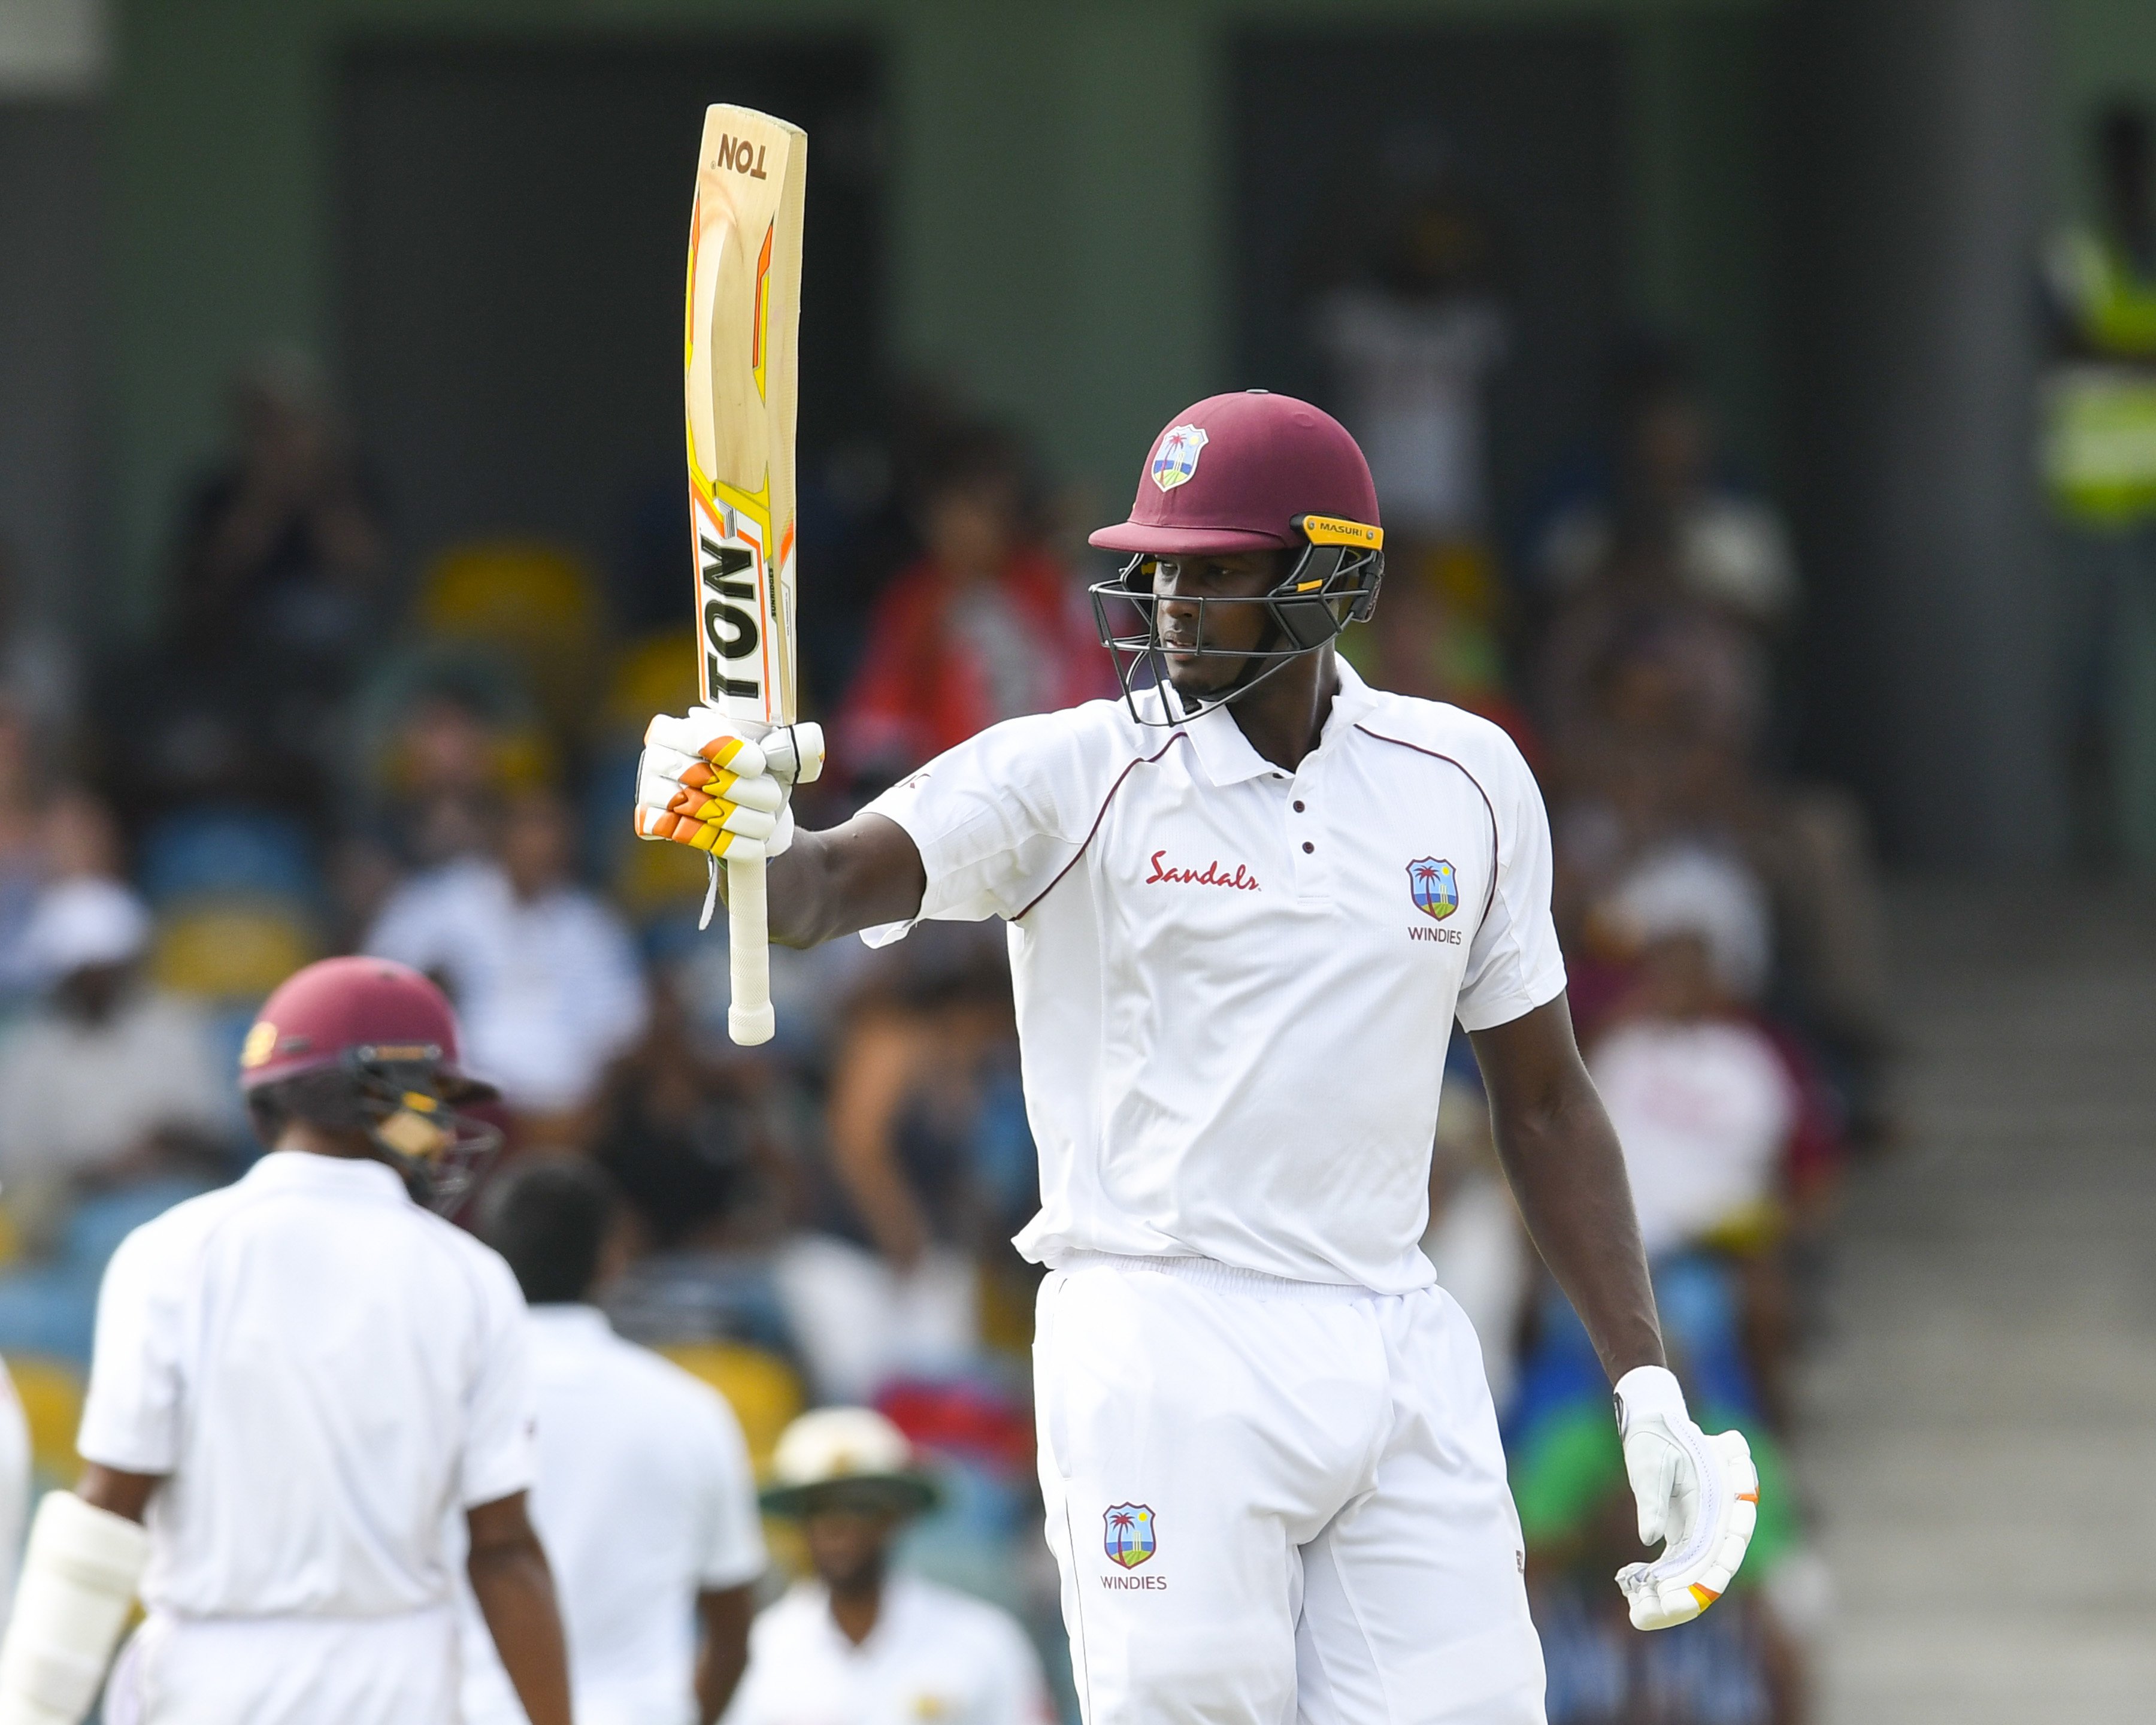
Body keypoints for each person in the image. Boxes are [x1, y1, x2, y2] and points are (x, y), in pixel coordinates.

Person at [637, 389, 1760, 1722]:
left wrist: (1643, 1381)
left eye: (1215, 569)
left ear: (1332, 574)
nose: (1169, 600)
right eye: (1157, 566)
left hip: (1393, 1332)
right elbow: (831, 886)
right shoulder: (1070, 771)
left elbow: (1548, 1103)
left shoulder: (1466, 777)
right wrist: (748, 828)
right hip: (1162, 1328)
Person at [0, 955, 571, 1725]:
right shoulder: (470, 1277)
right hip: (400, 1683)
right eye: (434, 1096)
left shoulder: (171, 1252)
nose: (441, 1123)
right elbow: (503, 1548)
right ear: (390, 1091)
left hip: (212, 1682)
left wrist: (35, 1710)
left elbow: (109, 1511)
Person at [461, 1154, 767, 1725]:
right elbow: (732, 1635)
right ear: (612, 1259)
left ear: (491, 1260)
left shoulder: (451, 1404)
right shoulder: (691, 1410)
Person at [724, 1406, 1053, 1725]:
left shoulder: (984, 1643)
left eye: (860, 1507)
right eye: (820, 1508)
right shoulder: (762, 1651)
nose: (838, 1526)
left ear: (895, 1516)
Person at [365, 786, 649, 1135]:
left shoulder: (591, 925)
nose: (543, 843)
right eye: (532, 826)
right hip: (461, 1110)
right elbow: (379, 995)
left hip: (567, 1119)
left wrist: (593, 1109)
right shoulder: (434, 905)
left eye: (554, 829)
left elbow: (623, 1030)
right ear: (500, 833)